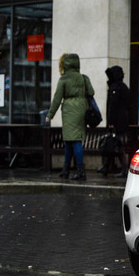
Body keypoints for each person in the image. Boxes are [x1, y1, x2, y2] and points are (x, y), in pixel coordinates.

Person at [46, 53, 93, 181]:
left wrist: (50, 114)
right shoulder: (84, 78)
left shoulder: (64, 79)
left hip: (68, 112)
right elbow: (92, 92)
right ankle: (66, 169)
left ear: (65, 64)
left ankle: (80, 171)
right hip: (81, 110)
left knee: (74, 141)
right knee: (69, 141)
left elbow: (57, 98)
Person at [101, 65, 130, 177]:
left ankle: (123, 169)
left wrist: (111, 123)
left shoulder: (115, 88)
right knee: (114, 144)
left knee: (117, 145)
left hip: (116, 122)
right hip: (122, 121)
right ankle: (106, 167)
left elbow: (112, 107)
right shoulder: (123, 87)